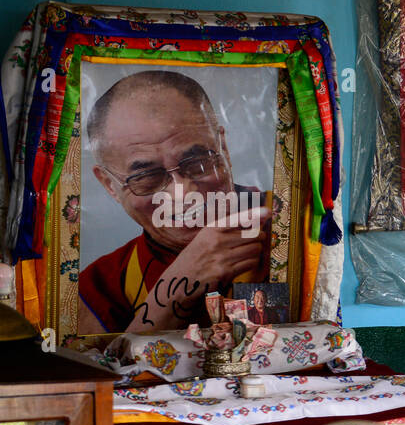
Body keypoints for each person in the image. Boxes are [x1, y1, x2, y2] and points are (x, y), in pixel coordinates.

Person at [77, 70, 270, 334]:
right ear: (110, 185)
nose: (181, 193)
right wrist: (181, 283)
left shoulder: (287, 225)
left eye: (197, 162)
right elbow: (105, 371)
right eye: (147, 176)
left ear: (222, 147)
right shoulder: (102, 284)